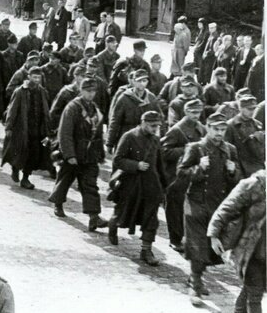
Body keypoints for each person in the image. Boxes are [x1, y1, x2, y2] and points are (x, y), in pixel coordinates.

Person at [177, 112, 241, 306]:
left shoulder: (230, 150)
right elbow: (181, 174)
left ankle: (196, 277)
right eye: (215, 129)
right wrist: (199, 168)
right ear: (207, 127)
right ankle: (195, 285)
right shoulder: (196, 148)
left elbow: (237, 180)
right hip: (196, 203)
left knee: (210, 247)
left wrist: (233, 171)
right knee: (197, 245)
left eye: (223, 129)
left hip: (217, 205)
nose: (219, 133)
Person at [207, 170, 266, 313]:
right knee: (255, 292)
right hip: (250, 249)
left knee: (258, 287)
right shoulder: (253, 184)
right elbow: (227, 207)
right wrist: (214, 234)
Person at [48, 78, 109, 230]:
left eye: (93, 91)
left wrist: (100, 153)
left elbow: (98, 133)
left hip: (89, 154)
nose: (91, 94)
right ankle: (58, 203)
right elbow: (65, 133)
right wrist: (69, 155)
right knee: (65, 180)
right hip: (74, 152)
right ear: (81, 91)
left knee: (90, 184)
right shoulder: (72, 107)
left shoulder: (94, 108)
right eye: (88, 91)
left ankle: (94, 217)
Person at [108, 111, 167, 266]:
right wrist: (136, 165)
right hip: (130, 185)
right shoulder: (129, 137)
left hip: (151, 186)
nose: (155, 129)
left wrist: (164, 187)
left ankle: (146, 250)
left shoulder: (156, 140)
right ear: (143, 122)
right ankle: (112, 226)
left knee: (151, 218)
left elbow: (160, 165)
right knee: (122, 213)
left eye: (157, 126)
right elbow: (118, 160)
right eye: (152, 125)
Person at [160, 99, 206, 253]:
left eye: (198, 112)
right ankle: (175, 239)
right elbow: (164, 151)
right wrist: (186, 150)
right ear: (186, 112)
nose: (196, 115)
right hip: (176, 176)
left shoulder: (200, 128)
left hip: (192, 175)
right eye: (193, 112)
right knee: (175, 209)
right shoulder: (177, 130)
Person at [2, 67, 52, 190]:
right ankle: (15, 169)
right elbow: (12, 110)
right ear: (28, 77)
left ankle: (25, 178)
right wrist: (8, 127)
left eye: (38, 77)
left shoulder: (43, 92)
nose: (36, 80)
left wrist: (47, 128)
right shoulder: (20, 91)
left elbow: (46, 111)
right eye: (34, 77)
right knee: (18, 152)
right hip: (21, 128)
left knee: (33, 154)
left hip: (37, 129)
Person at [106, 69, 163, 152]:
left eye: (144, 80)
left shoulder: (151, 98)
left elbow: (160, 119)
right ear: (134, 82)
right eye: (139, 81)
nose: (141, 83)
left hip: (146, 140)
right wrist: (109, 143)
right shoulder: (124, 98)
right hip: (127, 139)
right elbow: (115, 121)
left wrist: (161, 140)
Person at [225, 95, 264, 177]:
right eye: (249, 109)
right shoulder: (231, 125)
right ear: (241, 108)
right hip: (240, 168)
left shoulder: (258, 125)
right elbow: (227, 149)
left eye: (254, 108)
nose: (252, 111)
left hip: (257, 168)